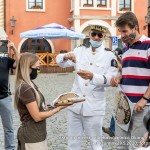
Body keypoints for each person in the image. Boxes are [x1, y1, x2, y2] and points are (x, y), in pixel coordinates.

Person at [56, 23, 118, 150]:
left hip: (94, 107)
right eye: (94, 34)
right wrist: (65, 56)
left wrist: (93, 76)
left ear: (104, 36)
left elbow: (111, 79)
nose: (96, 38)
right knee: (73, 144)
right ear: (89, 35)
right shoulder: (79, 50)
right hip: (75, 105)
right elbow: (60, 62)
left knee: (95, 144)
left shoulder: (110, 56)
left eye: (99, 35)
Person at [111, 12, 150, 149]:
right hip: (123, 106)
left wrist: (144, 99)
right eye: (120, 32)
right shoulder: (126, 48)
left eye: (125, 31)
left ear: (135, 28)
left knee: (139, 147)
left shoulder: (148, 45)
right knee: (120, 146)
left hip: (143, 108)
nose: (122, 35)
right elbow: (125, 71)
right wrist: (118, 78)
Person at [14, 52, 67, 150]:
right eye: (37, 67)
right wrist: (58, 109)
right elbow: (37, 116)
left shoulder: (30, 84)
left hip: (37, 134)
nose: (38, 70)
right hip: (32, 136)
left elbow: (38, 107)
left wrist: (53, 105)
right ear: (28, 68)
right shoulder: (26, 88)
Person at [0, 41, 19, 150]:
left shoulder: (5, 60)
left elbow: (19, 63)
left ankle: (10, 148)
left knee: (8, 128)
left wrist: (14, 48)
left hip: (5, 98)